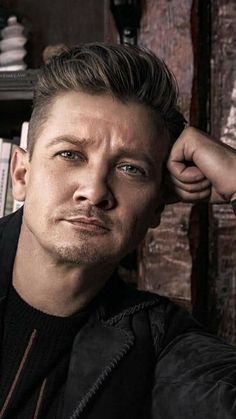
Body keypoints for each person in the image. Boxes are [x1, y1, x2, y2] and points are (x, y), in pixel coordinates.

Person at [0, 43, 235, 419]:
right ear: (21, 174)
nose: (94, 191)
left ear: (157, 206)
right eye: (70, 155)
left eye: (130, 169)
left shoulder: (160, 343)